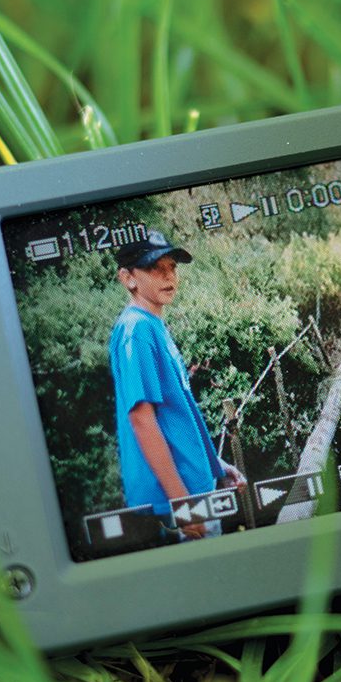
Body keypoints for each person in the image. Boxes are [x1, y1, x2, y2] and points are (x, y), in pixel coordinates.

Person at [109, 230, 245, 540]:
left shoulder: (153, 324)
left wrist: (216, 465)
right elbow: (142, 419)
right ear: (128, 278)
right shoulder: (137, 331)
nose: (168, 276)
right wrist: (182, 502)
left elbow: (175, 419)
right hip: (181, 496)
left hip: (194, 484)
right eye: (155, 268)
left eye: (172, 267)